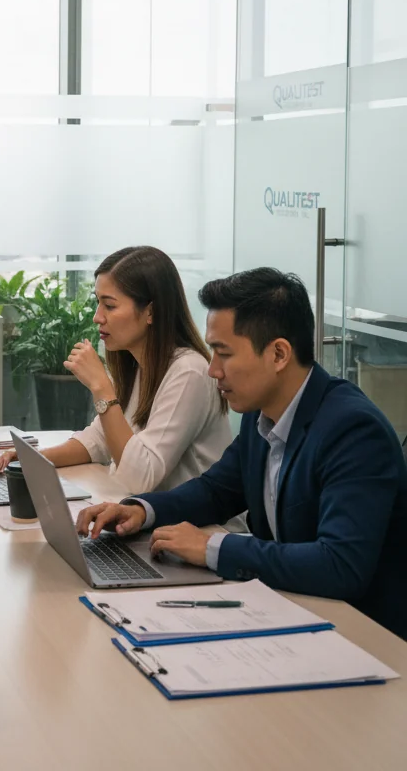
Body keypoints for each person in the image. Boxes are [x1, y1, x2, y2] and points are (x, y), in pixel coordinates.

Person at [76, 268, 407, 641]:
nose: (213, 370)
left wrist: (214, 547)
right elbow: (216, 491)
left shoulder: (352, 431)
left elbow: (340, 565)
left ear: (279, 353)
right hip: (289, 611)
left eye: (223, 353)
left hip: (365, 639)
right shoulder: (262, 414)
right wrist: (140, 510)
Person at [0, 246, 230, 493]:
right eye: (98, 303)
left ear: (150, 311)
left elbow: (141, 479)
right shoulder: (136, 364)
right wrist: (32, 458)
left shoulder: (189, 372)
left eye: (110, 305)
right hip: (152, 516)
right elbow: (98, 441)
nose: (98, 317)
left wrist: (102, 389)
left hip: (201, 527)